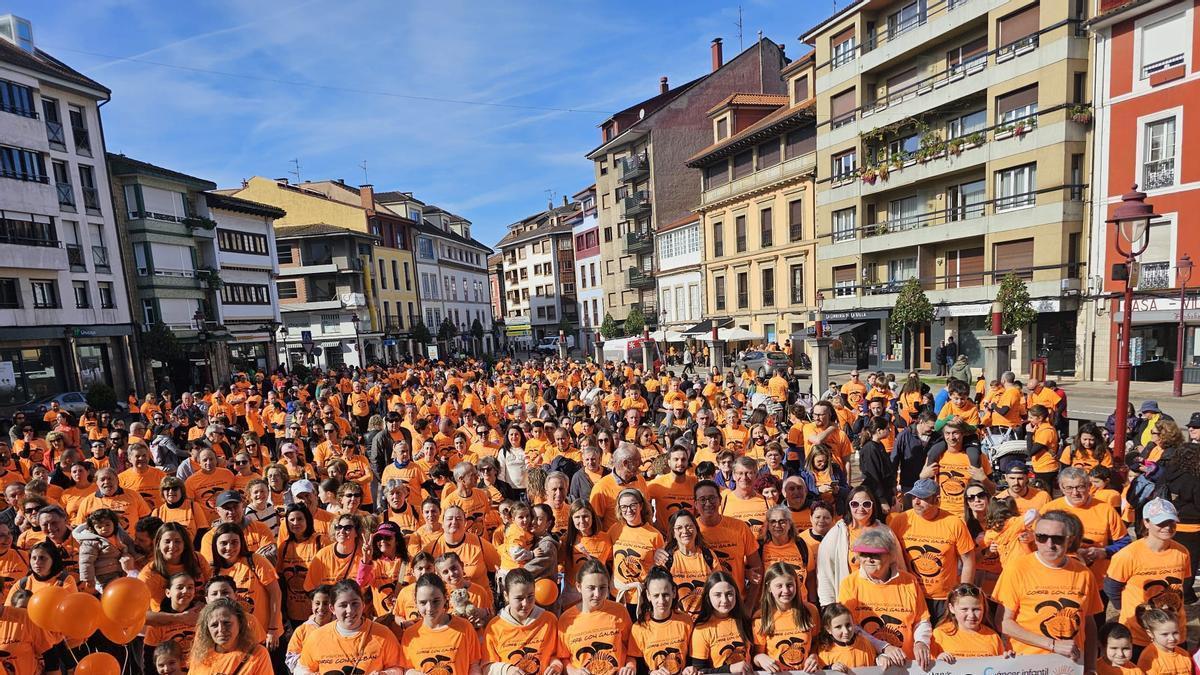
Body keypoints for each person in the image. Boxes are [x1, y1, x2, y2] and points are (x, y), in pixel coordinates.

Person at [995, 510, 1100, 672]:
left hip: (1071, 666)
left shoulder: (1084, 574)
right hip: (1027, 665)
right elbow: (1003, 622)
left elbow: (1090, 625)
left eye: (1057, 538)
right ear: (1034, 538)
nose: (1049, 544)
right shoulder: (1016, 569)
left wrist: (1091, 667)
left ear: (1069, 540)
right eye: (1042, 537)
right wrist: (1052, 645)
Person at [1104, 498, 1192, 653]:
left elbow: (1181, 585)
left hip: (1174, 634)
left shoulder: (1182, 552)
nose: (1167, 527)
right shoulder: (1128, 555)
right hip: (1140, 636)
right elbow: (1111, 586)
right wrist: (1123, 609)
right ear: (1146, 522)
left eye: (1171, 522)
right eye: (1161, 522)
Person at [836, 527, 932, 668]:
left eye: (876, 555)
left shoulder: (909, 581)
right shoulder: (849, 583)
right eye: (864, 554)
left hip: (907, 665)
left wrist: (921, 642)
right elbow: (850, 627)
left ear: (891, 555)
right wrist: (884, 647)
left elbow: (922, 620)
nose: (869, 559)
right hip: (867, 665)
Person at [888, 479, 976, 623]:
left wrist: (963, 595)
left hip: (943, 598)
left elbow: (968, 561)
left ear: (937, 500)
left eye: (923, 498)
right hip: (911, 594)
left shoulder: (954, 523)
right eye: (914, 497)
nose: (916, 501)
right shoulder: (901, 520)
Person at [295, 580, 402, 675]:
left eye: (355, 603)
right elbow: (301, 669)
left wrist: (385, 673)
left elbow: (398, 668)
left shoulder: (383, 634)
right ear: (332, 608)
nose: (350, 610)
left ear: (363, 605)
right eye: (343, 605)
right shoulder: (317, 637)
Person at [556, 559, 634, 675]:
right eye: (591, 588)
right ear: (578, 587)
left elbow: (632, 652)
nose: (597, 594)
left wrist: (630, 667)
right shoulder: (566, 619)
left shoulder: (620, 611)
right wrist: (574, 672)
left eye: (602, 588)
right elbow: (563, 658)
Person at [816, 486, 888, 606]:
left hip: (881, 601)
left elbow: (898, 566)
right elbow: (825, 574)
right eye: (855, 504)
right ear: (848, 506)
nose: (861, 508)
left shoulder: (886, 532)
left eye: (866, 504)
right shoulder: (836, 534)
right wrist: (828, 607)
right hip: (849, 601)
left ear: (873, 505)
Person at [483, 568, 563, 675]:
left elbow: (557, 655)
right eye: (519, 598)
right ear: (506, 596)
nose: (525, 603)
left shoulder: (549, 620)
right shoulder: (494, 627)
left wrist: (556, 666)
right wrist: (507, 670)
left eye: (530, 596)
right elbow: (486, 667)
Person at [752, 562, 821, 672]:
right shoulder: (761, 617)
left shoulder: (810, 611)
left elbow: (816, 644)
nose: (786, 591)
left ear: (796, 584)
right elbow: (756, 656)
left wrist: (814, 656)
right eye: (779, 586)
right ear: (769, 587)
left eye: (789, 585)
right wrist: (760, 658)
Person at [630, 566, 692, 675]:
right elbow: (637, 666)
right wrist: (651, 673)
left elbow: (693, 657)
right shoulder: (639, 627)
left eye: (665, 595)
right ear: (648, 596)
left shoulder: (686, 621)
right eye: (656, 595)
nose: (661, 601)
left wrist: (690, 668)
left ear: (673, 592)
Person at [188, 597, 273, 675]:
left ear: (240, 623)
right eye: (214, 625)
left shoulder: (257, 653)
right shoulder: (201, 656)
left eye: (227, 623)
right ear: (207, 629)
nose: (221, 629)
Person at [929, 583, 1008, 662]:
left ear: (984, 608)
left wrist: (1008, 660)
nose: (971, 615)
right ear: (952, 608)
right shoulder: (939, 634)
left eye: (976, 609)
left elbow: (1000, 668)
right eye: (964, 609)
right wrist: (938, 661)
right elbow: (927, 668)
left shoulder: (993, 636)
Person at [1133, 606, 1189, 674]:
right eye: (1165, 634)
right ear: (1150, 633)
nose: (1172, 638)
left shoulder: (1184, 655)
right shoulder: (1149, 659)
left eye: (1175, 633)